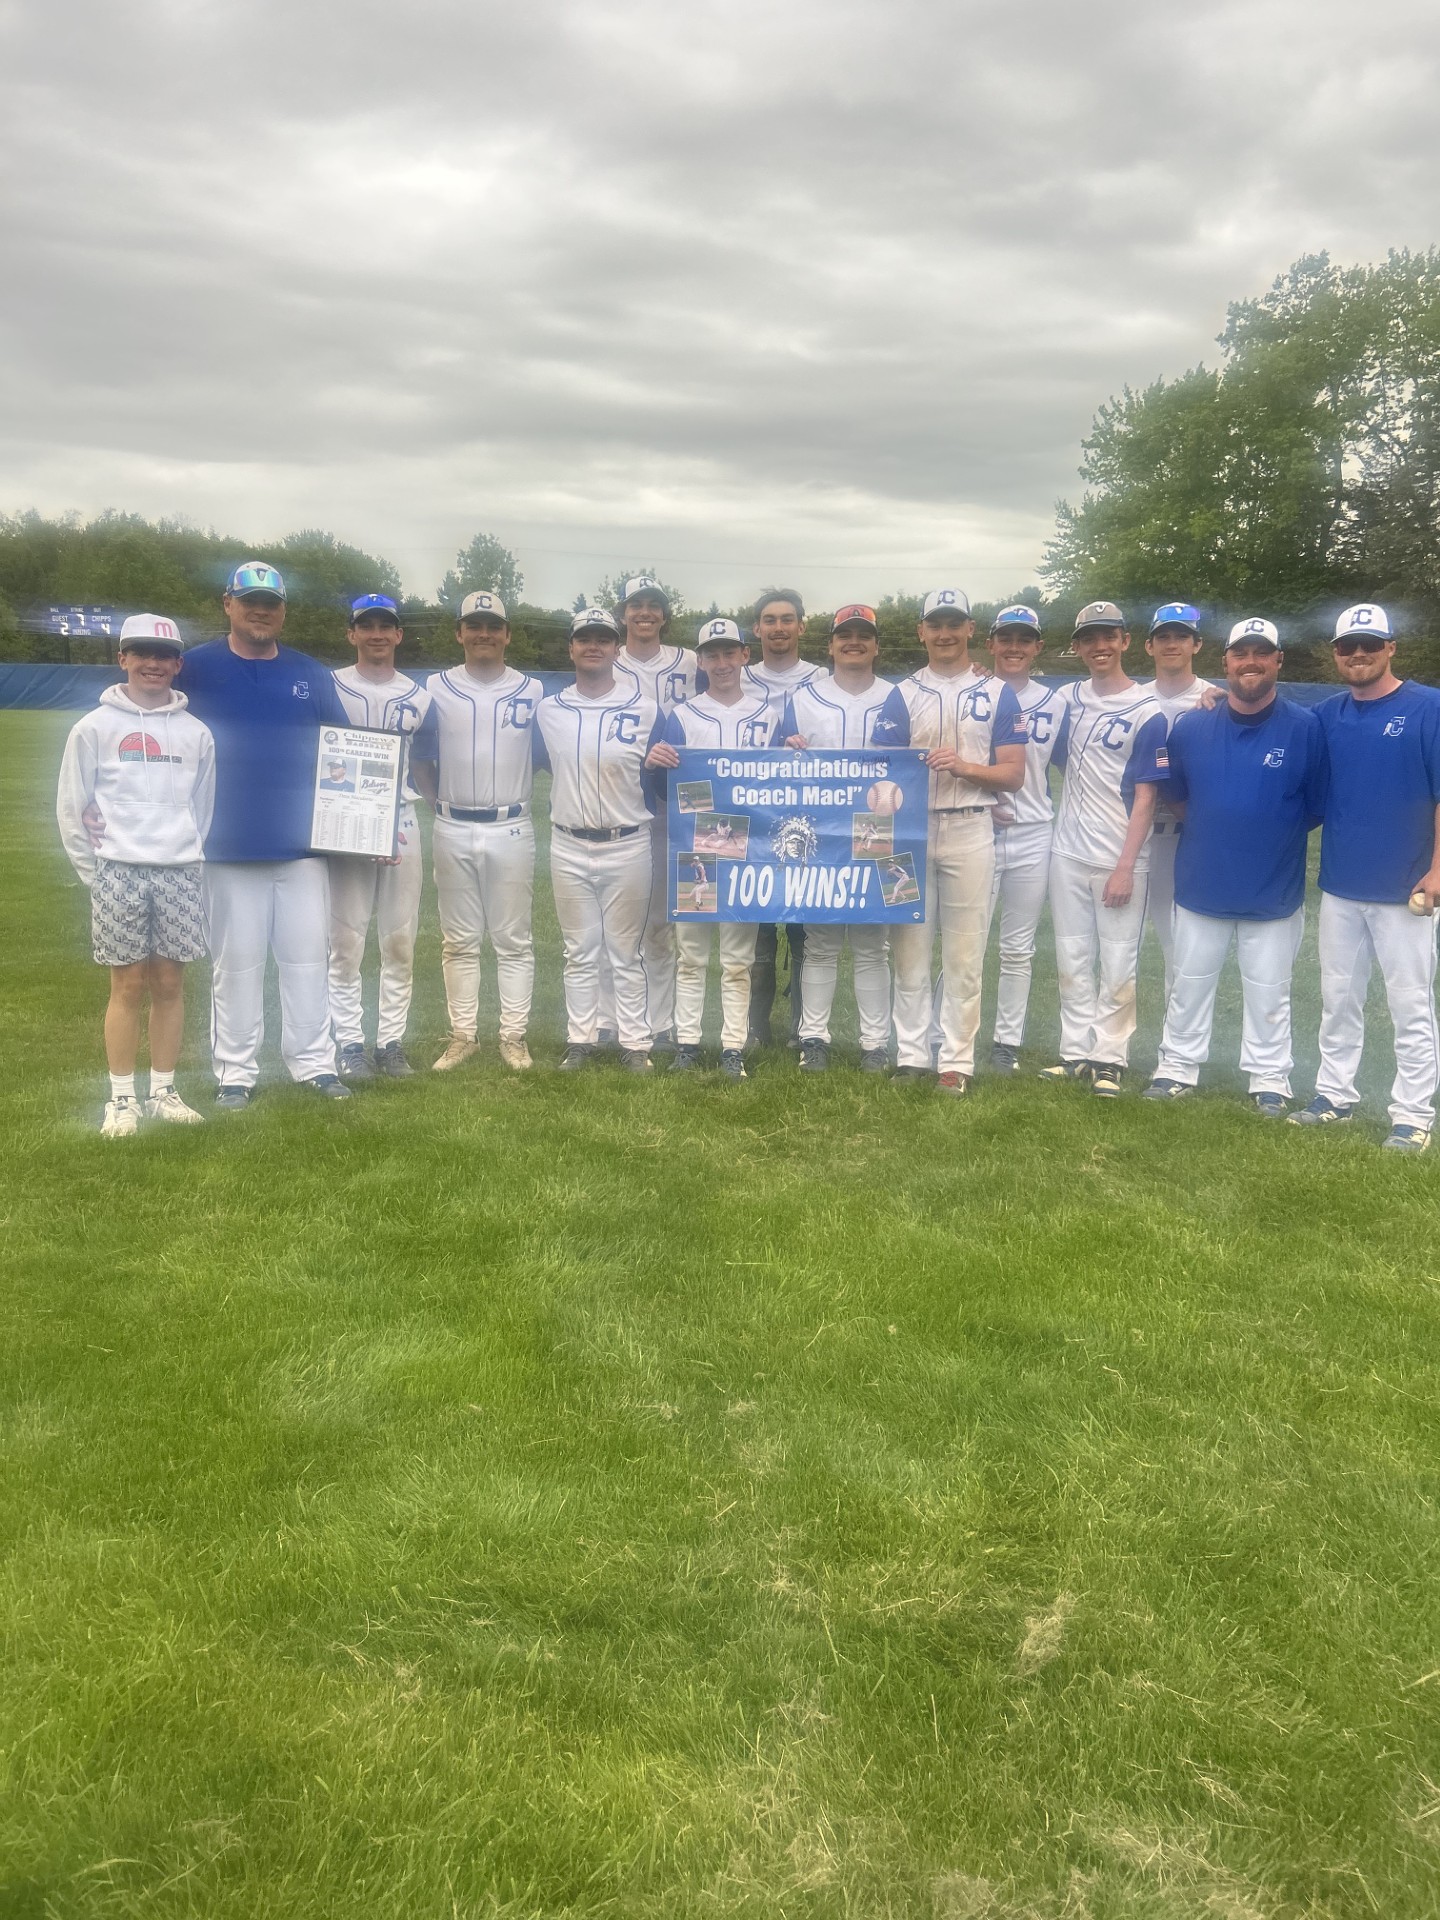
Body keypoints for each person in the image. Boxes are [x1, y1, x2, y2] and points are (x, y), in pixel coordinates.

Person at [178, 561, 352, 1106]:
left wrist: (370, 824)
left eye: (271, 603)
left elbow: (344, 754)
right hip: (225, 844)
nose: (261, 610)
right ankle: (235, 1072)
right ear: (226, 603)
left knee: (307, 960)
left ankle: (315, 1064)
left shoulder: (310, 672)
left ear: (283, 611)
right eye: (249, 599)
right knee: (236, 964)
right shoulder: (194, 667)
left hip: (302, 846)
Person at [1142, 619, 1327, 1113]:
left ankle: (1269, 1077)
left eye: (1261, 653)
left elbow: (1314, 806)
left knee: (1270, 990)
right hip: (1202, 879)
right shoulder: (1193, 725)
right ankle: (1177, 1066)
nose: (1251, 662)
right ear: (1224, 662)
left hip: (1273, 887)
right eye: (1240, 653)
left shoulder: (1307, 727)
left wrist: (1264, 830)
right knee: (1190, 982)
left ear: (1278, 661)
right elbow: (1178, 797)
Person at [56, 614, 216, 1135]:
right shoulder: (93, 728)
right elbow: (71, 808)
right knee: (126, 984)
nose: (154, 664)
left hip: (179, 870)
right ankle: (121, 1098)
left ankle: (164, 1090)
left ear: (178, 664)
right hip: (118, 871)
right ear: (122, 658)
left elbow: (202, 811)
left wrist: (184, 852)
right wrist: (95, 874)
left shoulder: (196, 733)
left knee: (170, 982)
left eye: (165, 655)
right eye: (141, 653)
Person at [1290, 603, 1440, 1150]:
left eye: (1370, 644)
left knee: (1410, 1004)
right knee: (1338, 998)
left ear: (1391, 647)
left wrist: (1437, 869)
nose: (1359, 654)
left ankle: (1413, 1115)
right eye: (1348, 645)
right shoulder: (1328, 714)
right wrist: (1213, 696)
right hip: (1341, 885)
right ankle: (1335, 1095)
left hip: (1406, 889)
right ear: (1335, 653)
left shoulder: (1429, 707)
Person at [890, 589, 1025, 1094]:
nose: (945, 633)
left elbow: (1013, 775)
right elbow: (880, 772)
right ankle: (910, 1052)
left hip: (971, 825)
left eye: (954, 624)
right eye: (935, 624)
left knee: (966, 953)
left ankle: (957, 1061)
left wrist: (963, 767)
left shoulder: (996, 693)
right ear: (922, 631)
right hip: (911, 827)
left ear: (970, 629)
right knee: (909, 948)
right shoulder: (902, 693)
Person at [410, 590, 543, 1073]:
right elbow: (418, 756)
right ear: (460, 632)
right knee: (459, 939)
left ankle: (513, 1036)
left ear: (507, 634)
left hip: (511, 823)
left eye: (493, 625)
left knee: (514, 939)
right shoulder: (433, 687)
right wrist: (433, 800)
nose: (484, 633)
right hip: (452, 823)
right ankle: (464, 1035)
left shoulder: (532, 690)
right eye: (474, 625)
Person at [1042, 601, 1168, 1097]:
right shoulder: (1065, 698)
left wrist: (1125, 867)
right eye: (1089, 638)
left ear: (1125, 641)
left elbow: (1148, 794)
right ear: (1076, 647)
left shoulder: (1148, 710)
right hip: (1067, 850)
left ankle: (1110, 1057)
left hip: (1120, 857)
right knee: (1072, 957)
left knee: (1118, 962)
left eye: (1108, 636)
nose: (1099, 646)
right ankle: (1075, 1051)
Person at [777, 604, 910, 1072]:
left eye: (864, 635)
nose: (854, 642)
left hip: (880, 827)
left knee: (873, 942)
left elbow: (909, 771)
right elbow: (774, 773)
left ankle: (874, 1043)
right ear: (830, 644)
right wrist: (786, 750)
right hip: (820, 834)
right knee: (821, 941)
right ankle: (814, 1038)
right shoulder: (803, 698)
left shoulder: (900, 695)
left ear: (876, 645)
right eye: (845, 635)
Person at [534, 609, 666, 1072]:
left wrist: (658, 762)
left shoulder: (646, 708)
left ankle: (635, 1043)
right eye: (584, 638)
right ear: (571, 647)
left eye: (603, 639)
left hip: (627, 840)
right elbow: (544, 764)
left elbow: (664, 776)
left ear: (616, 648)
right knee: (580, 950)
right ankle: (581, 1038)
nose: (594, 645)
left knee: (626, 951)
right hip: (568, 841)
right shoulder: (549, 709)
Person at [646, 617, 773, 1081]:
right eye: (712, 654)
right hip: (694, 844)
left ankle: (733, 1046)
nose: (721, 662)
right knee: (692, 954)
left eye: (729, 652)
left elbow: (784, 786)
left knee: (738, 958)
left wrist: (796, 750)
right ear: (700, 661)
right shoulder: (682, 715)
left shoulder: (769, 715)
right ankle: (688, 1042)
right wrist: (655, 763)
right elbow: (661, 786)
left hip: (749, 846)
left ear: (744, 655)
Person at [327, 593, 432, 1080]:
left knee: (399, 939)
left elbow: (427, 765)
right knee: (345, 941)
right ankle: (349, 1043)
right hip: (344, 824)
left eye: (384, 626)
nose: (375, 634)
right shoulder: (328, 686)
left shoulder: (419, 696)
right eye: (365, 625)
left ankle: (390, 1042)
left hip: (403, 821)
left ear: (397, 635)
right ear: (351, 634)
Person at [600, 576, 700, 1053]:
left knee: (660, 924)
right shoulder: (603, 657)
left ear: (664, 614)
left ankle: (660, 1023)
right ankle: (605, 1020)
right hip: (617, 801)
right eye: (636, 605)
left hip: (673, 805)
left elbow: (732, 688)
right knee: (612, 926)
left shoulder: (691, 661)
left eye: (653, 605)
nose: (645, 612)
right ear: (623, 614)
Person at [983, 605, 1069, 1074]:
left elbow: (1073, 767)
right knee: (966, 941)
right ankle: (943, 1033)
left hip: (1034, 831)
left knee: (1018, 946)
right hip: (979, 828)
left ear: (1037, 647)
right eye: (1006, 638)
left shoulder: (1056, 703)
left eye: (1024, 639)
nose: (1014, 647)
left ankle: (1006, 1042)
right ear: (992, 643)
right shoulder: (974, 693)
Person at [743, 588, 821, 1048]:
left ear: (802, 626)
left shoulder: (822, 678)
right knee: (756, 928)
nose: (778, 627)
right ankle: (754, 1027)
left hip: (808, 816)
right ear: (757, 629)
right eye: (769, 620)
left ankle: (802, 1029)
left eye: (787, 619)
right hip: (753, 815)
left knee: (804, 927)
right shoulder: (737, 672)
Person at [1143, 603, 1213, 993]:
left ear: (1197, 644)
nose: (1172, 644)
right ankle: (1108, 1044)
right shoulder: (1131, 698)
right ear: (1149, 646)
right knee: (1120, 942)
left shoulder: (1216, 701)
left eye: (1181, 636)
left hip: (1185, 837)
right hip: (1129, 833)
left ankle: (1176, 1045)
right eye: (1164, 636)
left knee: (1180, 944)